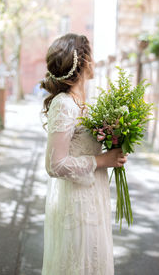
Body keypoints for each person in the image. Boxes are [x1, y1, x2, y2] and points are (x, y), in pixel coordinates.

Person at [40, 33, 128, 275]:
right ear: (83, 61)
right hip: (76, 206)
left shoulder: (84, 103)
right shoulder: (64, 104)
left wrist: (115, 148)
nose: (95, 60)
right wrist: (102, 160)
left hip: (94, 196)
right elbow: (54, 165)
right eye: (92, 54)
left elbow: (84, 147)